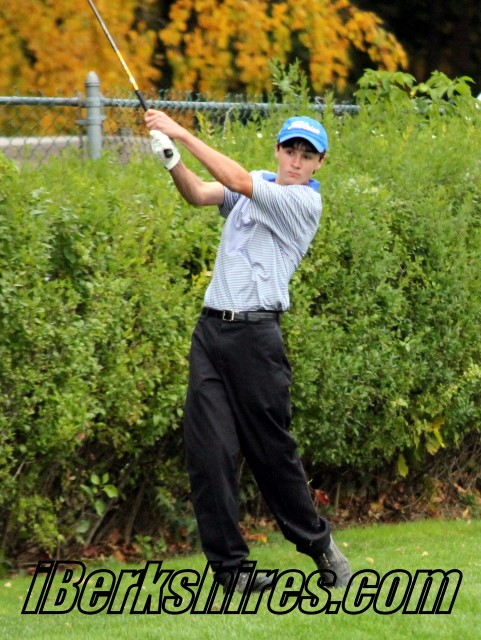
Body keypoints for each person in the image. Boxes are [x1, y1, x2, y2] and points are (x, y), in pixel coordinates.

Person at [144, 108, 352, 594]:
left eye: (307, 155)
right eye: (290, 150)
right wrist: (172, 159)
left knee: (271, 454)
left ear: (319, 163)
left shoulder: (302, 202)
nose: (296, 161)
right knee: (209, 451)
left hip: (256, 341)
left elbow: (236, 179)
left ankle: (320, 546)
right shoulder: (258, 182)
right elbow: (199, 193)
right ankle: (232, 571)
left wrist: (181, 132)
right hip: (211, 333)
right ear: (277, 150)